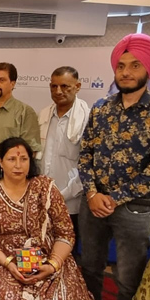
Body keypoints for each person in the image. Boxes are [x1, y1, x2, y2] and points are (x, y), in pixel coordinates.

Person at [78, 34, 150, 300]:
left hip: (134, 209)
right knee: (91, 268)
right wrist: (93, 193)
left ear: (148, 69)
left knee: (128, 278)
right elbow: (84, 154)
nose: (125, 72)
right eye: (121, 66)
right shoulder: (101, 108)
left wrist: (115, 198)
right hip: (93, 203)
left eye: (134, 66)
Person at [0, 137, 99, 300]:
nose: (18, 165)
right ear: (0, 162)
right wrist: (8, 263)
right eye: (11, 159)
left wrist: (52, 265)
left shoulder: (45, 187)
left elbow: (65, 233)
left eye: (23, 159)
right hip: (1, 259)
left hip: (48, 255)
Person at [38, 66, 90, 246]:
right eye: (54, 86)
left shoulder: (87, 119)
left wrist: (63, 194)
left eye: (65, 86)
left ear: (78, 86)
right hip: (42, 198)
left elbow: (87, 163)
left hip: (71, 201)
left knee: (66, 252)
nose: (58, 91)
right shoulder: (44, 114)